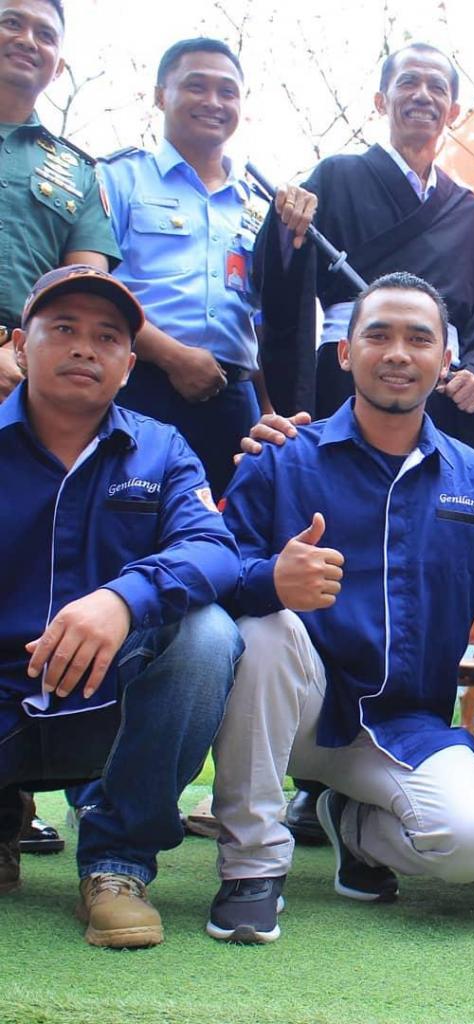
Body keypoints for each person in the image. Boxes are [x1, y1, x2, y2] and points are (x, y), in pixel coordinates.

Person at [208, 271, 474, 945]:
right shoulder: (283, 459)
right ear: (345, 353)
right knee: (263, 628)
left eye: (418, 338)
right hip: (293, 710)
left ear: (445, 359)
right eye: (378, 335)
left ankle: (354, 828)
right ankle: (252, 867)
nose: (398, 353)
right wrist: (269, 580)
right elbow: (213, 575)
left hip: (404, 723)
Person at [0, 265, 241, 947]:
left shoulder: (161, 448)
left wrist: (121, 599)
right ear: (20, 346)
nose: (85, 347)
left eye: (107, 337)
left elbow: (213, 550)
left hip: (108, 700)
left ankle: (118, 862)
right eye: (63, 329)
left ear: (129, 365)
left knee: (207, 634)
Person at [100, 37, 317, 498]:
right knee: (129, 517)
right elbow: (95, 287)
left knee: (225, 526)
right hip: (137, 382)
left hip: (232, 400)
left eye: (228, 92)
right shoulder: (119, 177)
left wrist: (268, 408)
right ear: (160, 95)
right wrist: (171, 356)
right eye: (196, 86)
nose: (213, 102)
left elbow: (259, 321)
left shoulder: (259, 204)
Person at [253, 42, 474, 448]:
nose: (423, 95)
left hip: (440, 384)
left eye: (437, 87)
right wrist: (286, 221)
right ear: (381, 101)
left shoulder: (467, 210)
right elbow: (278, 273)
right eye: (409, 82)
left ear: (453, 111)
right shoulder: (336, 176)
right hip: (351, 374)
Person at [0, 0, 120, 397]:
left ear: (58, 68)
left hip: (22, 377)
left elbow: (86, 293)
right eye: (12, 23)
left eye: (45, 35)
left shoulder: (78, 172)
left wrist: (21, 355)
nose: (27, 40)